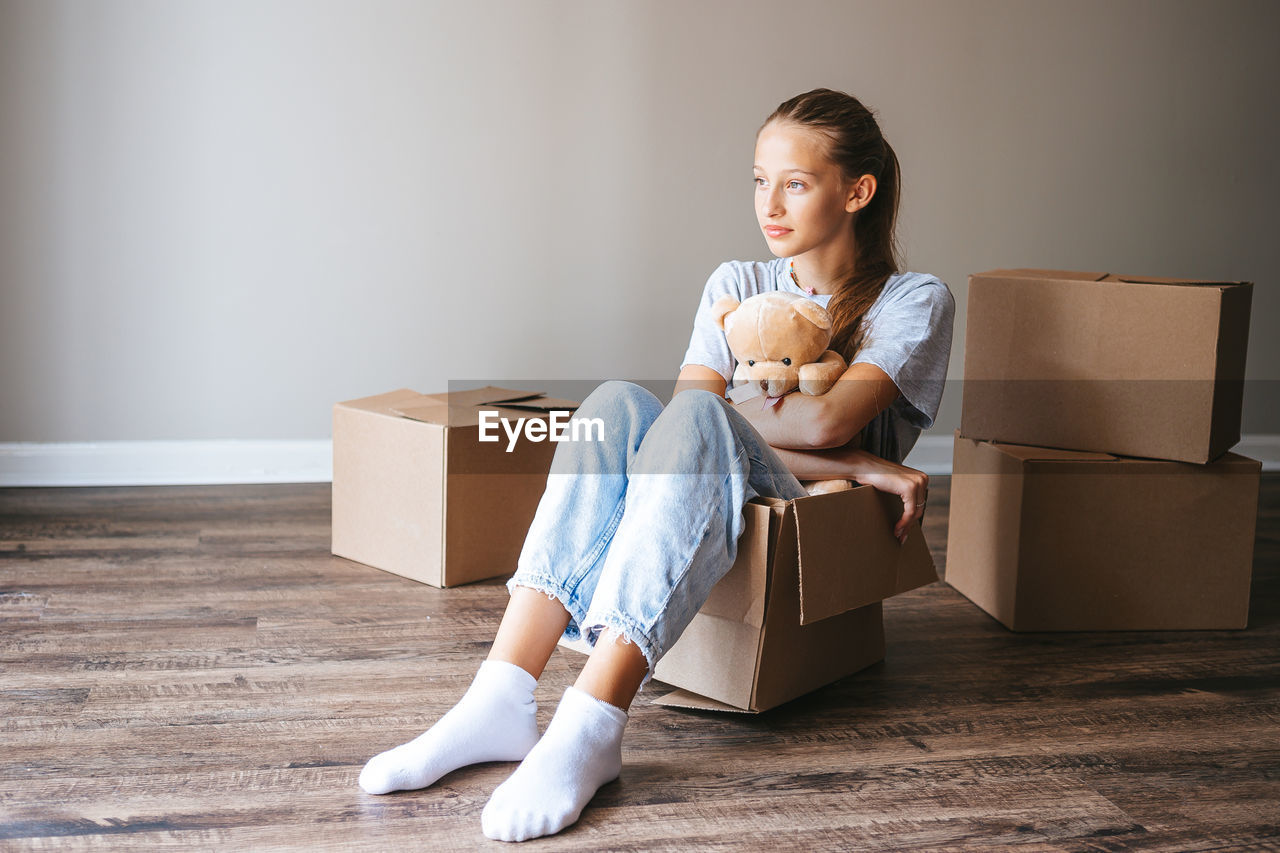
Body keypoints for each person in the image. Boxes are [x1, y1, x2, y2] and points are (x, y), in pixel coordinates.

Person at [357, 87, 955, 842]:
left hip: (804, 518)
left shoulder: (912, 300)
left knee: (699, 413)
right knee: (614, 402)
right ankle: (500, 693)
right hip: (722, 496)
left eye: (795, 183)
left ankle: (594, 720)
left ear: (857, 191)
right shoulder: (737, 283)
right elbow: (685, 421)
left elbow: (823, 413)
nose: (769, 203)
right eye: (759, 180)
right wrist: (865, 462)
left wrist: (833, 447)